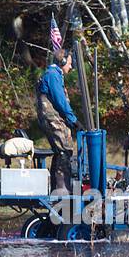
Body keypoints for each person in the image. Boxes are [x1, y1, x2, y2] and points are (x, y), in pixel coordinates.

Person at [36, 49, 78, 192]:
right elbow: (60, 101)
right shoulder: (53, 75)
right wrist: (73, 119)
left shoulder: (54, 75)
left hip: (53, 118)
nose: (71, 67)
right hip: (52, 118)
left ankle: (58, 187)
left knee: (61, 150)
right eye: (70, 63)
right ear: (63, 61)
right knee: (64, 149)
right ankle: (62, 189)